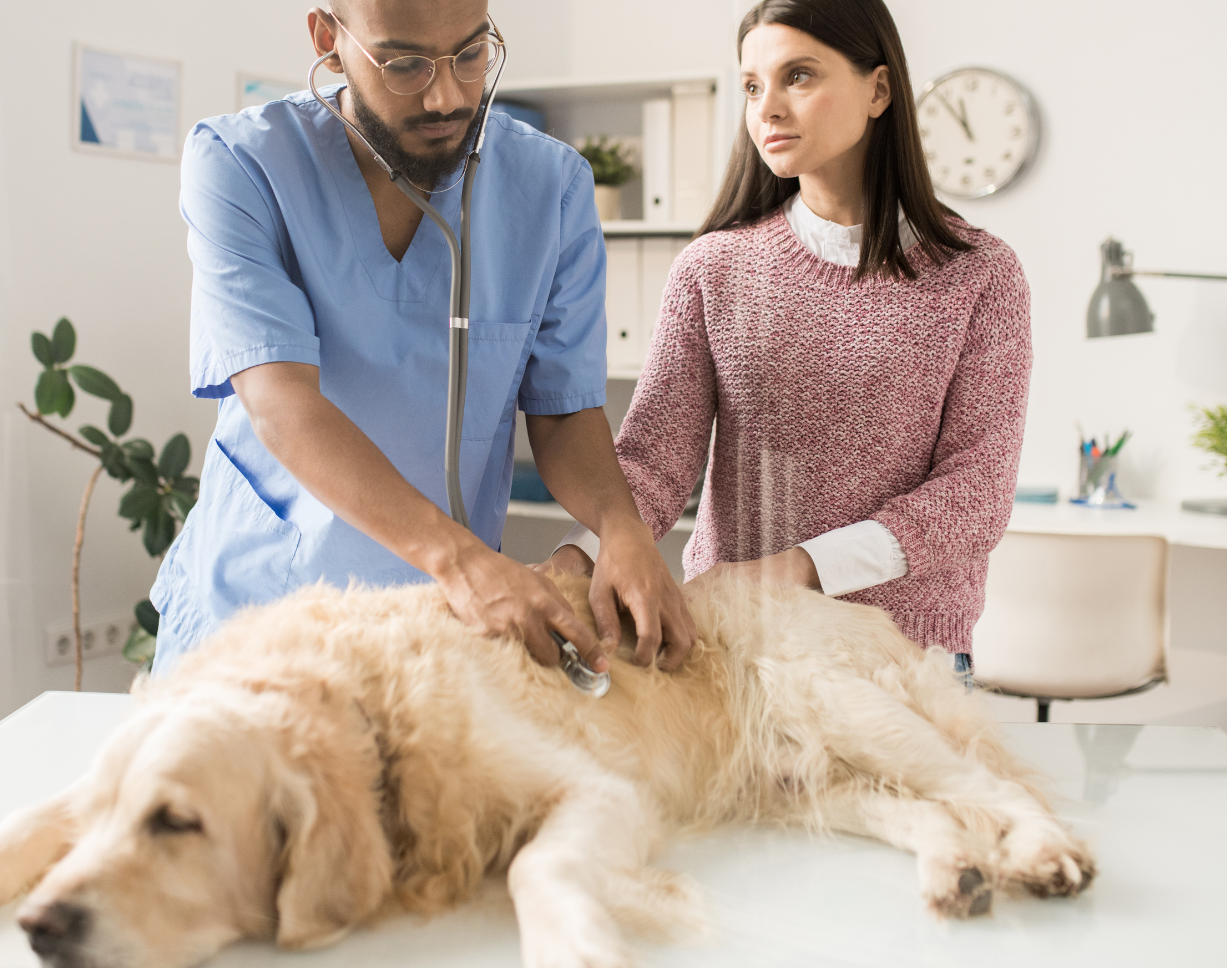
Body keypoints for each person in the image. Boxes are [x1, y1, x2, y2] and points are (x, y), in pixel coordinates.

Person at [148, 0, 695, 678]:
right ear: (328, 38)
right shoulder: (244, 164)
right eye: (404, 64)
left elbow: (563, 412)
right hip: (259, 618)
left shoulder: (550, 186)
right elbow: (282, 406)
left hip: (446, 629)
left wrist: (620, 527)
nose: (446, 97)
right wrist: (460, 560)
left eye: (471, 54)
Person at [548, 0, 1031, 683]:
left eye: (797, 76)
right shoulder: (712, 269)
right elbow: (654, 465)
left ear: (879, 90)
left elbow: (974, 496)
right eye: (752, 86)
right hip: (736, 652)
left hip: (902, 662)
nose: (766, 108)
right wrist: (573, 559)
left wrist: (796, 569)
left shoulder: (980, 274)